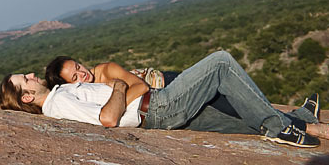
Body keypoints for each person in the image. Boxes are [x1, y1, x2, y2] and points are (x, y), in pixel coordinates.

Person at [0, 50, 329, 148]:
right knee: (221, 62)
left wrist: (125, 87)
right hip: (157, 108)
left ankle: (299, 120)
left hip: (155, 112)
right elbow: (107, 119)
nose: (30, 75)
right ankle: (278, 126)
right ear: (26, 96)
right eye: (24, 79)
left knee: (238, 123)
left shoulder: (58, 96)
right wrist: (120, 87)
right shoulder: (58, 103)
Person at [44, 55, 242, 124]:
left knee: (226, 102)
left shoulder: (106, 70)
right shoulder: (82, 95)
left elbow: (141, 86)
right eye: (75, 77)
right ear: (69, 85)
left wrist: (117, 104)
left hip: (167, 83)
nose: (82, 74)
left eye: (78, 67)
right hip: (163, 99)